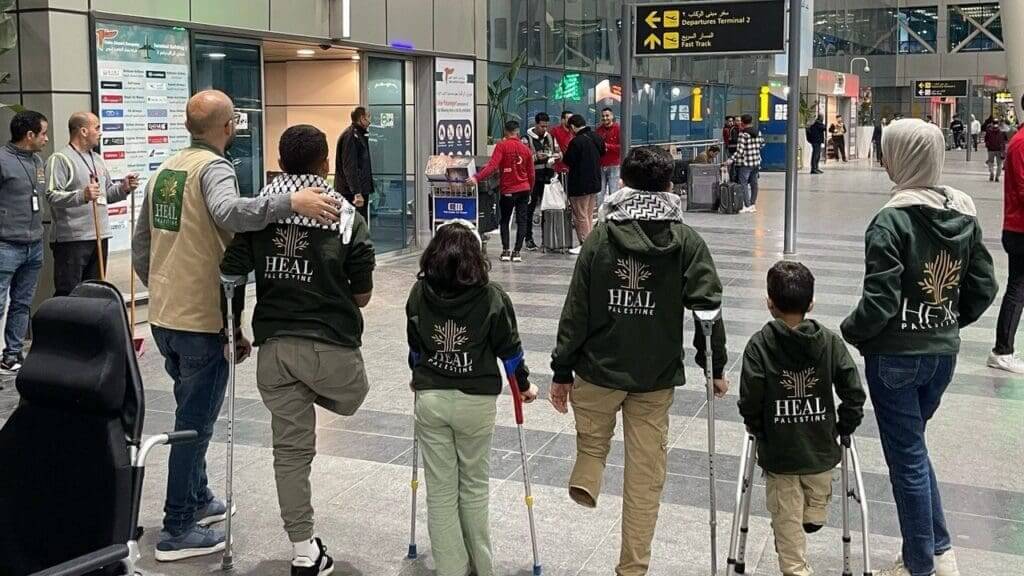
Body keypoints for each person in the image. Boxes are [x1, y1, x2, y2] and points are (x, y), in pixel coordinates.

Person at [132, 90, 343, 561]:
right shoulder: (215, 169)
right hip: (197, 318)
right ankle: (178, 527)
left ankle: (199, 497)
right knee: (195, 423)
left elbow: (142, 243)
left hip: (166, 315)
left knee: (193, 409)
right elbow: (231, 214)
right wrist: (293, 201)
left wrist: (163, 290)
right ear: (226, 127)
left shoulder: (168, 168)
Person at [549, 146, 728, 576]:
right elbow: (708, 308)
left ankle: (587, 476)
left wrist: (561, 370)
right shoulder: (685, 241)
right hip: (654, 375)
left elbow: (577, 308)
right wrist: (714, 366)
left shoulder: (601, 236)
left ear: (624, 184)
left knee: (593, 440)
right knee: (646, 473)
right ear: (670, 186)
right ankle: (633, 566)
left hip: (598, 369)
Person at [841, 119, 997, 576]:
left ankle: (919, 564)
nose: (883, 158)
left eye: (888, 151)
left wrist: (852, 331)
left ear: (904, 157)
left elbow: (880, 301)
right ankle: (940, 549)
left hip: (894, 358)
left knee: (906, 459)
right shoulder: (962, 212)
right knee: (914, 448)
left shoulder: (891, 221)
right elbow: (984, 285)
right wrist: (946, 322)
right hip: (941, 355)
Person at [220, 125, 374, 576]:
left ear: (281, 162)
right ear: (326, 163)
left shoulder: (260, 213)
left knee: (289, 453)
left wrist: (233, 332)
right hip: (332, 351)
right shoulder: (346, 216)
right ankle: (306, 549)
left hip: (276, 351)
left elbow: (230, 275)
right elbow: (362, 296)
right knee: (353, 394)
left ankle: (303, 550)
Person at [406, 220, 538, 576]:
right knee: (474, 487)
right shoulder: (492, 297)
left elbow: (415, 348)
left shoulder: (419, 294)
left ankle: (451, 567)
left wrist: (418, 375)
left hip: (431, 398)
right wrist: (524, 386)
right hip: (475, 402)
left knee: (441, 490)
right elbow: (510, 352)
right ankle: (482, 564)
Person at [739, 260, 866, 576]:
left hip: (780, 452)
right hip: (821, 446)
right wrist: (844, 424)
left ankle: (796, 568)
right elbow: (852, 389)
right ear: (811, 303)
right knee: (818, 485)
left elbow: (751, 394)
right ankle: (817, 510)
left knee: (786, 518)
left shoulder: (759, 344)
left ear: (770, 304)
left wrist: (756, 424)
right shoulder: (829, 342)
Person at [45, 111, 139, 297]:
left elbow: (105, 195)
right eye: (97, 128)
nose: (100, 132)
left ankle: (88, 327)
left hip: (99, 235)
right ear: (83, 131)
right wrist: (82, 195)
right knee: (69, 293)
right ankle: (68, 327)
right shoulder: (60, 159)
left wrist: (124, 188)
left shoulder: (97, 159)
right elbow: (51, 196)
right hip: (72, 239)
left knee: (94, 293)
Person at [0, 110, 48, 373]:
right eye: (43, 133)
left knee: (22, 303)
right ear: (29, 135)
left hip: (34, 244)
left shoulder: (38, 162)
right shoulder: (2, 159)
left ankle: (12, 354)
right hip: (5, 245)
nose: (47, 138)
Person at [469, 120, 534, 263]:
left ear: (505, 131)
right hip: (524, 189)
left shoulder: (502, 146)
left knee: (505, 220)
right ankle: (517, 252)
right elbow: (531, 174)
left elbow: (492, 166)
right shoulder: (526, 149)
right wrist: (530, 191)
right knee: (522, 220)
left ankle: (505, 251)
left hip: (508, 190)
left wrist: (477, 177)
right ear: (517, 132)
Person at [990, 124, 1024, 373]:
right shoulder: (1021, 143)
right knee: (1018, 288)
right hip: (1020, 229)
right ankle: (1002, 350)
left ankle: (1004, 348)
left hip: (1018, 227)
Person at [562, 114, 605, 255]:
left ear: (573, 126)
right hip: (595, 181)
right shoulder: (596, 137)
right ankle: (590, 242)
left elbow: (568, 160)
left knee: (580, 215)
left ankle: (585, 245)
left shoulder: (576, 141)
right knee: (588, 214)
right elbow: (603, 152)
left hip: (580, 183)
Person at [522, 112, 560, 251]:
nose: (545, 129)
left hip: (548, 177)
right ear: (536, 124)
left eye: (546, 126)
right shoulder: (526, 139)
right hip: (533, 178)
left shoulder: (550, 137)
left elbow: (559, 152)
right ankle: (528, 238)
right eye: (542, 126)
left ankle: (546, 238)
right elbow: (523, 160)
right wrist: (536, 157)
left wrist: (556, 156)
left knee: (547, 209)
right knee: (530, 209)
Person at [335, 106, 373, 221]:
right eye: (368, 117)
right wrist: (357, 193)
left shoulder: (359, 135)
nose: (370, 121)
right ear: (362, 118)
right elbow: (350, 167)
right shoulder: (351, 136)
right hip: (351, 194)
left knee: (359, 226)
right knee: (353, 227)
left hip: (356, 191)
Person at [731, 114, 766, 213]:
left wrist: (730, 160)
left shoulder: (743, 134)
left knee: (744, 183)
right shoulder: (757, 132)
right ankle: (752, 204)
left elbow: (740, 151)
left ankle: (746, 205)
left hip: (746, 163)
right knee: (754, 183)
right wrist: (754, 148)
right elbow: (762, 144)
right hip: (756, 161)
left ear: (742, 122)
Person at [595, 107, 622, 207]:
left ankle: (612, 217)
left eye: (607, 115)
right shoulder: (598, 130)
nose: (605, 118)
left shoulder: (618, 129)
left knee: (614, 192)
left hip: (614, 165)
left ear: (612, 116)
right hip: (600, 165)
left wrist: (607, 146)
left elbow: (622, 147)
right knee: (599, 193)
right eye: (603, 116)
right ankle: (600, 217)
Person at [551, 110, 574, 176]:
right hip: (559, 167)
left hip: (573, 167)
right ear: (562, 120)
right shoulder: (555, 131)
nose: (571, 121)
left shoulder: (574, 131)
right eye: (569, 119)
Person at [726, 116, 740, 182]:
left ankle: (734, 179)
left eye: (739, 120)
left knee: (735, 166)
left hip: (735, 150)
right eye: (737, 120)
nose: (738, 122)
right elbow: (734, 139)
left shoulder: (738, 129)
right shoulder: (734, 129)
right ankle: (733, 180)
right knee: (733, 166)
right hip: (733, 150)